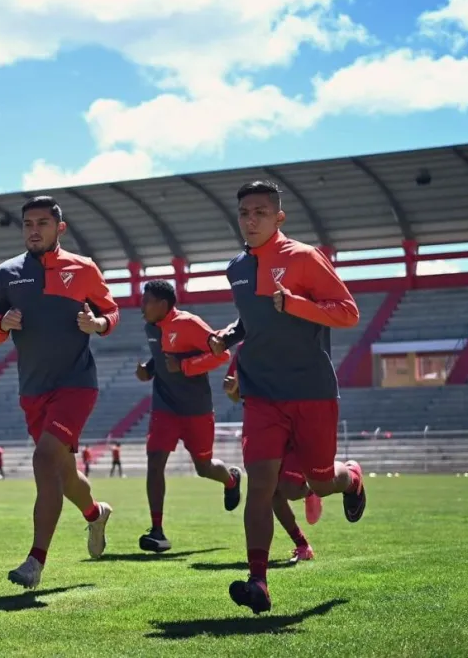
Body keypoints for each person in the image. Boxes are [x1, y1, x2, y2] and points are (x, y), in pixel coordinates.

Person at [209, 181, 366, 614]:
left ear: (279, 217)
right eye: (244, 212)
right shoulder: (236, 267)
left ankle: (350, 477)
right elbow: (251, 319)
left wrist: (296, 303)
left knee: (317, 482)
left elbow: (348, 313)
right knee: (262, 486)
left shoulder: (305, 257)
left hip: (311, 391)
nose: (251, 219)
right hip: (261, 394)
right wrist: (228, 335)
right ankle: (257, 581)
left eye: (260, 211)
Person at [0, 195, 119, 589]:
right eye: (27, 223)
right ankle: (95, 514)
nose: (33, 230)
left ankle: (35, 562)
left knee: (44, 460)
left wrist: (98, 323)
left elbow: (111, 312)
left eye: (42, 223)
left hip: (76, 383)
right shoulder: (7, 273)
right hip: (32, 389)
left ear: (60, 227)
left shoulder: (84, 268)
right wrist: (2, 324)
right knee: (64, 474)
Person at [134, 280, 241, 554]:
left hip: (196, 409)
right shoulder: (150, 326)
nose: (141, 305)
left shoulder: (189, 323)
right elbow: (161, 357)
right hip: (164, 407)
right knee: (155, 461)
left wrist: (184, 366)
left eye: (146, 301)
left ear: (163, 304)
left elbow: (222, 354)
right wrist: (149, 369)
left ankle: (231, 479)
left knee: (203, 467)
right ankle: (157, 531)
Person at [224, 349, 321, 564]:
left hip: (295, 421)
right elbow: (235, 394)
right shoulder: (243, 349)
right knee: (271, 492)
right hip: (262, 425)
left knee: (289, 489)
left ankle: (325, 484)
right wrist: (231, 390)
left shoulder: (289, 337)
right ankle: (302, 545)